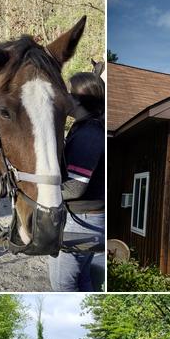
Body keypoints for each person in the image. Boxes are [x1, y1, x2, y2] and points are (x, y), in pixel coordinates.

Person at [48, 72, 105, 292]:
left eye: (67, 92)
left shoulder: (88, 134)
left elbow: (76, 187)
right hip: (87, 218)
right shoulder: (83, 126)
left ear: (79, 98)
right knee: (83, 279)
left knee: (62, 284)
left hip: (81, 220)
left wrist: (39, 197)